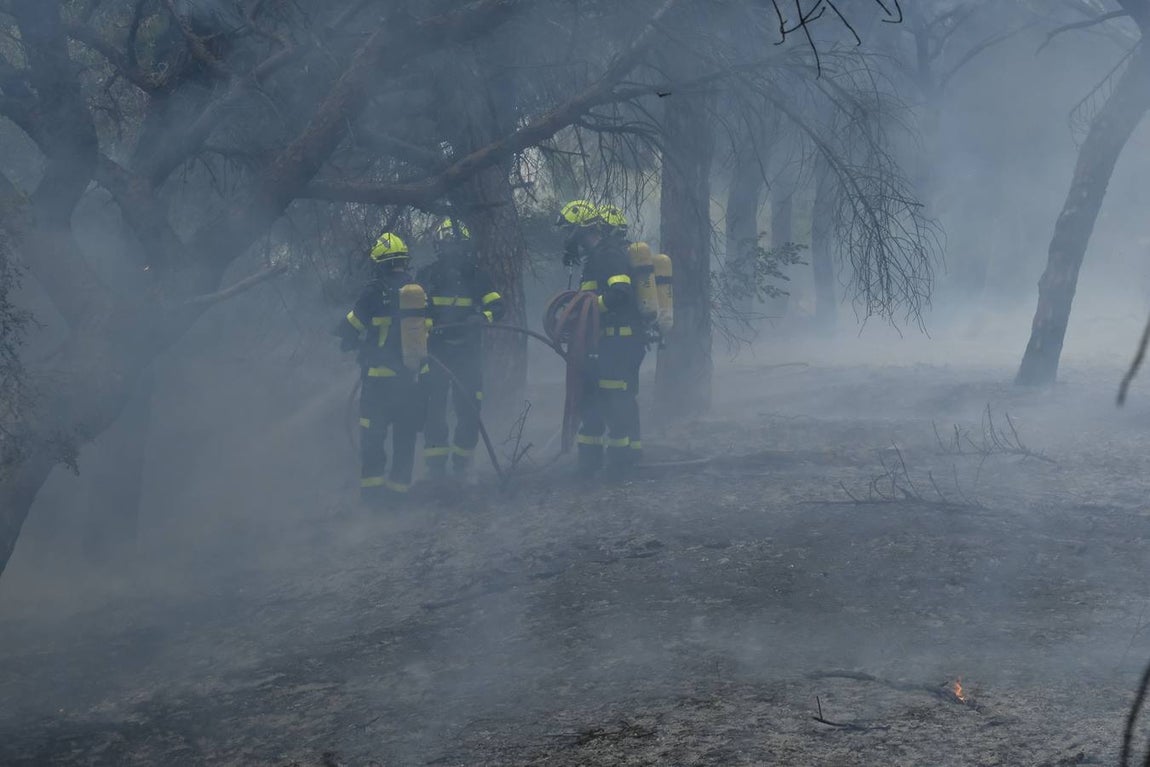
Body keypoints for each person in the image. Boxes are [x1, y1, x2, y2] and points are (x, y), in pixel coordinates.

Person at [335, 232, 430, 506]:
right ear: (403, 261)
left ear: (379, 263)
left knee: (373, 439)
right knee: (405, 439)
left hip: (377, 384)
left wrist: (345, 339)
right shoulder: (417, 292)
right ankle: (398, 497)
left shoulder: (373, 292)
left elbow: (352, 325)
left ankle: (372, 498)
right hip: (409, 383)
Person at [556, 200, 641, 480]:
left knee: (616, 403)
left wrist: (590, 309)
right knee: (590, 402)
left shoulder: (609, 255)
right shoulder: (593, 260)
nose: (566, 238)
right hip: (599, 345)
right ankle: (588, 465)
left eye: (568, 230)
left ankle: (620, 466)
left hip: (618, 345)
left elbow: (621, 294)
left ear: (581, 229)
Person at [417, 219, 505, 479]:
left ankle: (461, 467)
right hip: (435, 354)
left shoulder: (478, 277)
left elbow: (498, 308)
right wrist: (433, 325)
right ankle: (435, 469)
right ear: (439, 246)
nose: (451, 250)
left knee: (469, 411)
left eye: (454, 244)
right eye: (446, 244)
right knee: (434, 411)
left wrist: (482, 317)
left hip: (468, 354)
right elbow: (412, 315)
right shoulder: (427, 276)